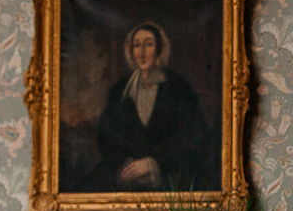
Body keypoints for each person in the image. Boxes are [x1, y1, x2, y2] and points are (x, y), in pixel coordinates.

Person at [89, 21, 215, 192]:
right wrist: (127, 164)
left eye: (148, 44)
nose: (142, 53)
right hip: (127, 172)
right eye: (136, 45)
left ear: (160, 50)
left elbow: (192, 138)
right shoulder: (120, 91)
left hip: (169, 170)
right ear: (130, 52)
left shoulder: (179, 88)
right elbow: (106, 138)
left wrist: (154, 163)